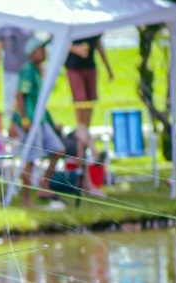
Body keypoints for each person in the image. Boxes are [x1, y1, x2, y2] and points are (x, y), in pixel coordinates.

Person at [13, 37, 65, 209]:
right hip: (31, 123)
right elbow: (20, 95)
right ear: (33, 52)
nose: (45, 53)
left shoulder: (38, 70)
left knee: (58, 150)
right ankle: (26, 199)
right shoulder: (28, 70)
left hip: (41, 121)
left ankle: (44, 184)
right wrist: (24, 119)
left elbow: (40, 101)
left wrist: (50, 121)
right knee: (30, 160)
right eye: (41, 50)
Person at [65, 34, 112, 195]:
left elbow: (98, 44)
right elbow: (60, 40)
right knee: (82, 122)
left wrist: (108, 68)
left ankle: (91, 148)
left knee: (85, 123)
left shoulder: (94, 30)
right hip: (75, 67)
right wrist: (76, 49)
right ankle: (94, 151)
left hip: (89, 67)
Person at [0, 25, 34, 119]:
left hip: (26, 74)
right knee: (10, 104)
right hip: (10, 73)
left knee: (27, 103)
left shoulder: (28, 26)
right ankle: (13, 127)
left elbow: (34, 50)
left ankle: (26, 125)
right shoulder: (4, 28)